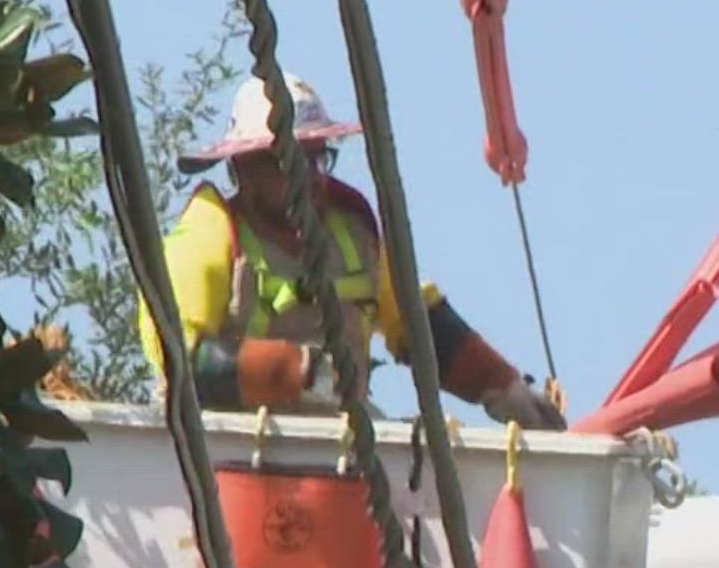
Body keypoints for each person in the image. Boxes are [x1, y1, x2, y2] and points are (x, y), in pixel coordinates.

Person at [138, 72, 564, 429]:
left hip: (342, 446)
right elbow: (178, 357)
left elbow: (418, 326)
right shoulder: (210, 234)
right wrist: (299, 372)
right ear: (242, 169)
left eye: (316, 159)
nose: (308, 177)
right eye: (288, 162)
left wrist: (507, 390)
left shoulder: (351, 235)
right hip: (234, 447)